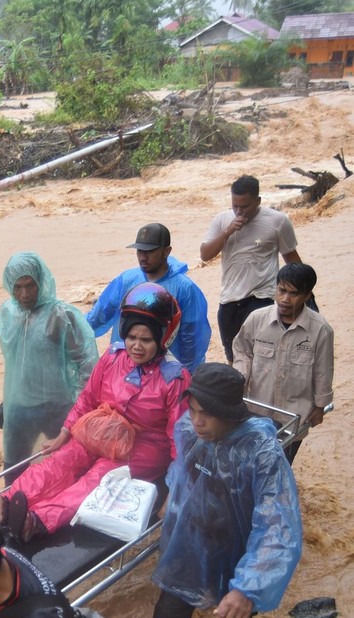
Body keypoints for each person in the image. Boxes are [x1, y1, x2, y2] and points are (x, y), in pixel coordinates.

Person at [0, 285, 191, 541]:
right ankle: (4, 502)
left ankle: (37, 520)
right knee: (62, 460)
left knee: (99, 480)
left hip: (142, 448)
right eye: (132, 337)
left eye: (146, 340)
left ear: (163, 339)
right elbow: (88, 398)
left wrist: (174, 489)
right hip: (100, 431)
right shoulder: (112, 357)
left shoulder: (174, 379)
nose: (136, 346)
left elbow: (180, 440)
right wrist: (65, 433)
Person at [149, 363, 302, 618]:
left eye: (207, 413)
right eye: (192, 410)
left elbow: (276, 526)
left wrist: (249, 587)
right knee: (171, 614)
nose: (197, 420)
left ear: (230, 414)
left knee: (231, 616)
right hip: (189, 540)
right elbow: (182, 472)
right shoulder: (190, 431)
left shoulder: (261, 452)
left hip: (234, 545)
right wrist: (171, 499)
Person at [0, 252, 98, 483]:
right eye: (18, 286)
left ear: (40, 282)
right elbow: (13, 362)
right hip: (19, 407)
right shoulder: (7, 313)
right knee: (13, 469)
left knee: (69, 466)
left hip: (56, 406)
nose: (24, 294)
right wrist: (8, 400)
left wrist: (81, 407)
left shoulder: (60, 315)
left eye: (30, 285)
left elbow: (86, 362)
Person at [232, 263, 334, 464]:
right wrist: (239, 382)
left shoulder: (321, 330)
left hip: (293, 418)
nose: (285, 299)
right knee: (248, 464)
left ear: (307, 295)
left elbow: (323, 370)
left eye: (293, 293)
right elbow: (242, 351)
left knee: (280, 465)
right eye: (282, 290)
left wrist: (320, 406)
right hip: (256, 411)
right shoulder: (256, 319)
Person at [200, 175, 302, 363]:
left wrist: (302, 295)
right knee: (234, 359)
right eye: (234, 205)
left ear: (258, 201)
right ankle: (239, 393)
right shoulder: (222, 220)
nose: (239, 211)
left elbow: (293, 261)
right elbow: (205, 255)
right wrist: (227, 232)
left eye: (244, 206)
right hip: (229, 299)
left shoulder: (278, 221)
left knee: (265, 359)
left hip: (263, 298)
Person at [86, 222, 211, 371]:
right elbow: (99, 315)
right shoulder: (126, 280)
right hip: (124, 367)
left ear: (167, 251)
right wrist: (69, 326)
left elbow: (193, 339)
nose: (143, 257)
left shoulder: (185, 289)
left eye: (150, 251)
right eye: (140, 251)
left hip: (164, 373)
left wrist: (187, 376)